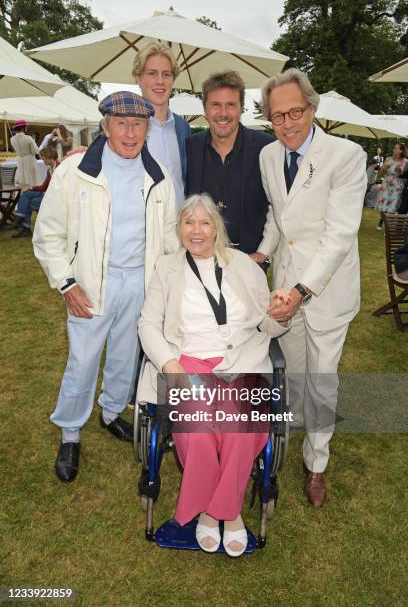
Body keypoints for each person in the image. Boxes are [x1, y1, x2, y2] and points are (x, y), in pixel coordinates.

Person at [32, 91, 179, 483]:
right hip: (90, 284)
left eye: (138, 125)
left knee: (125, 355)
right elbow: (48, 235)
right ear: (105, 126)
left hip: (140, 282)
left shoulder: (159, 174)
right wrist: (67, 284)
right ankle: (70, 433)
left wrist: (167, 288)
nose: (129, 133)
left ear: (148, 128)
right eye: (121, 124)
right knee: (82, 360)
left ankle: (112, 412)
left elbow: (169, 238)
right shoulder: (76, 169)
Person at [138, 194, 290, 557]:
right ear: (179, 229)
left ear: (217, 229)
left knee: (241, 428)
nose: (196, 231)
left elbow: (266, 325)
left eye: (205, 223)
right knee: (199, 430)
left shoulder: (244, 265)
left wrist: (280, 315)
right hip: (188, 362)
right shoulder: (166, 268)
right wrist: (169, 365)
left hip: (243, 360)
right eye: (189, 223)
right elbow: (148, 324)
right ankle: (211, 510)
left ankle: (226, 511)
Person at [258, 68, 367, 508]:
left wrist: (302, 290)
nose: (287, 124)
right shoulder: (269, 157)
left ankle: (316, 464)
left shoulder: (346, 155)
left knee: (322, 381)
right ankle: (301, 427)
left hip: (325, 289)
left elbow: (340, 234)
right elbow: (277, 218)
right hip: (286, 284)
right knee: (296, 372)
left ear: (312, 107)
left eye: (295, 112)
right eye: (277, 116)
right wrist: (262, 256)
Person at [185, 71, 274, 265]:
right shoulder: (189, 148)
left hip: (251, 264)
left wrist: (262, 254)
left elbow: (277, 207)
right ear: (205, 109)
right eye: (215, 105)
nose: (223, 113)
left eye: (231, 105)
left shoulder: (266, 148)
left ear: (241, 108)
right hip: (200, 262)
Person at [132, 41, 191, 207]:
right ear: (138, 78)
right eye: (152, 73)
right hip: (143, 227)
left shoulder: (183, 128)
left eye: (166, 74)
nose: (160, 81)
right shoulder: (125, 128)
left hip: (179, 227)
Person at [11, 146, 59, 238]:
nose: (42, 160)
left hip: (54, 198)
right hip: (47, 195)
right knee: (26, 193)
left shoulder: (59, 168)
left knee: (27, 203)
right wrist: (30, 187)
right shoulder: (50, 170)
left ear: (49, 156)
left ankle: (23, 225)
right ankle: (20, 220)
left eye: (43, 158)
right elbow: (43, 187)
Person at [375, 143, 408, 229]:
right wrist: (384, 168)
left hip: (397, 185)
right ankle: (382, 219)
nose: (394, 150)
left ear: (401, 151)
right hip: (386, 184)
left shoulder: (405, 161)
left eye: (396, 148)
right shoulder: (388, 159)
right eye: (394, 148)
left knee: (393, 206)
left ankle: (388, 227)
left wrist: (401, 171)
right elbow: (380, 174)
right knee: (382, 207)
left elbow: (405, 175)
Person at [10, 119, 41, 186]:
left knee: (23, 180)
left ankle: (24, 193)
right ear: (23, 128)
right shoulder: (28, 138)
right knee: (32, 180)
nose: (26, 128)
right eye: (26, 127)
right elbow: (35, 151)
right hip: (29, 160)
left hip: (20, 160)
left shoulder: (12, 139)